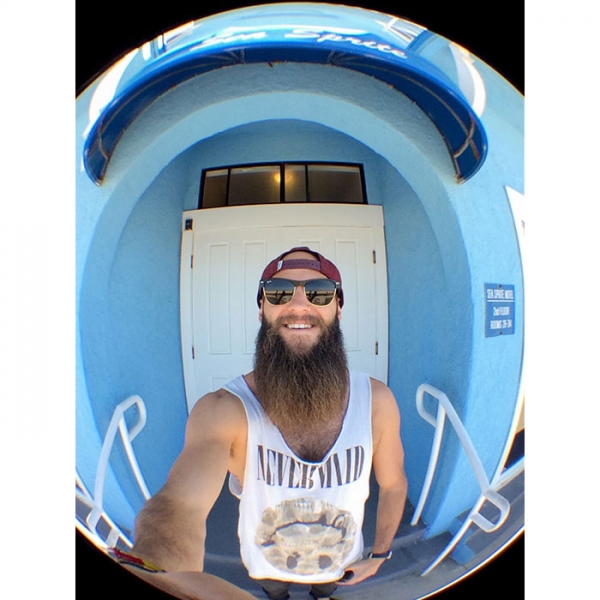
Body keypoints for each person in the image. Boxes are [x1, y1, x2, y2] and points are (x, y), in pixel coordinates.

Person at [130, 247, 408, 600]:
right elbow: (180, 505)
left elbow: (393, 484)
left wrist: (380, 554)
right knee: (275, 593)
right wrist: (153, 571)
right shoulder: (225, 410)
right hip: (265, 564)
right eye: (279, 292)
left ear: (338, 308)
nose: (298, 305)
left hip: (339, 562)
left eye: (319, 292)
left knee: (325, 592)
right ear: (262, 309)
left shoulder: (376, 403)